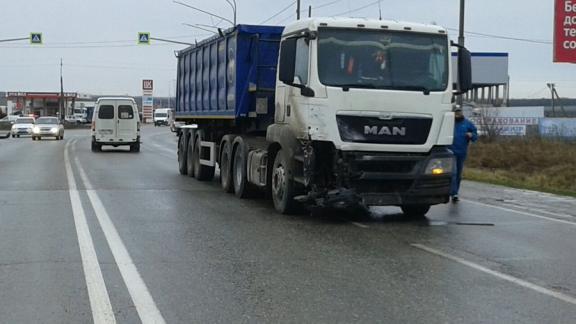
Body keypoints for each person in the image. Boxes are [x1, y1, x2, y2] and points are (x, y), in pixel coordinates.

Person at [450, 107, 478, 202]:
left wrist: (471, 135)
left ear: (462, 113)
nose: (458, 114)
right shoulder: (449, 123)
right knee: (454, 172)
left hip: (462, 152)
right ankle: (453, 192)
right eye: (456, 112)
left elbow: (475, 135)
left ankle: (455, 192)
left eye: (459, 112)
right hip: (450, 151)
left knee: (458, 174)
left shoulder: (467, 123)